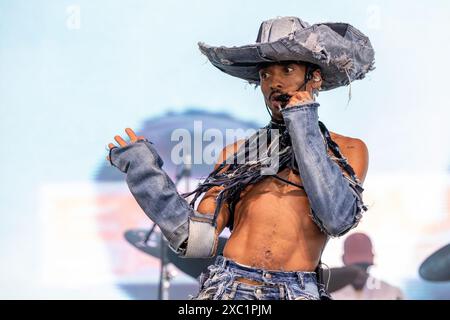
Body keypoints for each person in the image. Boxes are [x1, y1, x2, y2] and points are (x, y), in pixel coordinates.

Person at [107, 16, 374, 300]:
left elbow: (337, 218)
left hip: (297, 292)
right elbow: (198, 241)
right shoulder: (239, 154)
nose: (275, 83)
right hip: (229, 288)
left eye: (287, 69)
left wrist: (302, 120)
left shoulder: (348, 149)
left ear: (315, 77)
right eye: (265, 74)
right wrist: (143, 172)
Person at [331, 233, 404, 300]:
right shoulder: (329, 294)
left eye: (364, 266)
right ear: (343, 260)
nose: (360, 273)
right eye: (355, 267)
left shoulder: (392, 293)